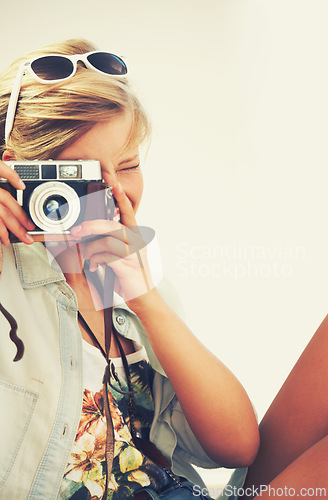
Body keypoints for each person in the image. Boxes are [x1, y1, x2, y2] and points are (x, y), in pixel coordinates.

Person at [0, 39, 259, 500]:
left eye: (129, 165)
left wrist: (146, 299)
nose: (116, 192)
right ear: (16, 174)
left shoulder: (137, 289)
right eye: (84, 175)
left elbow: (237, 446)